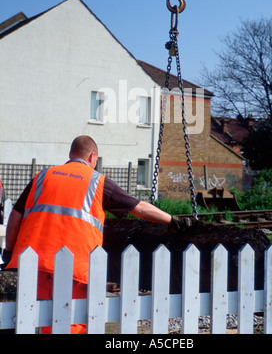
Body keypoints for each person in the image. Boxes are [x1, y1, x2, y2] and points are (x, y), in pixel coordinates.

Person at [3, 135, 180, 334]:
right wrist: (172, 220)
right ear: (92, 156)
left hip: (33, 264)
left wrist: (9, 251)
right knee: (70, 323)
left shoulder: (42, 177)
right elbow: (138, 207)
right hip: (74, 269)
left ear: (71, 155)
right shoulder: (97, 182)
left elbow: (15, 218)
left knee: (26, 318)